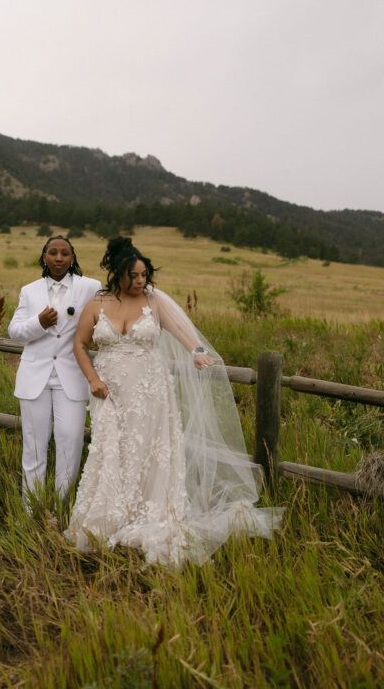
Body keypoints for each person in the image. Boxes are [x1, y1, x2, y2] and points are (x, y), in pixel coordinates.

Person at [65, 236, 283, 566]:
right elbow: (80, 346)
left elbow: (182, 331)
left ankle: (149, 516)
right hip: (109, 393)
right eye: (133, 276)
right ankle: (108, 517)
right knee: (111, 451)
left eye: (144, 275)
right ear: (117, 273)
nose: (140, 282)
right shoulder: (97, 303)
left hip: (151, 393)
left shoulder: (154, 301)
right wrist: (93, 380)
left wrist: (196, 352)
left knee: (149, 452)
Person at [8, 235, 101, 506]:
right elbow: (14, 332)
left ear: (72, 258)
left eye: (64, 253)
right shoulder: (29, 291)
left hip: (71, 376)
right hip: (34, 375)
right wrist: (38, 323)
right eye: (53, 253)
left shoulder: (90, 287)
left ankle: (61, 507)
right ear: (44, 257)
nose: (59, 258)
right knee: (34, 446)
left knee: (70, 442)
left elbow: (101, 320)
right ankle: (31, 508)